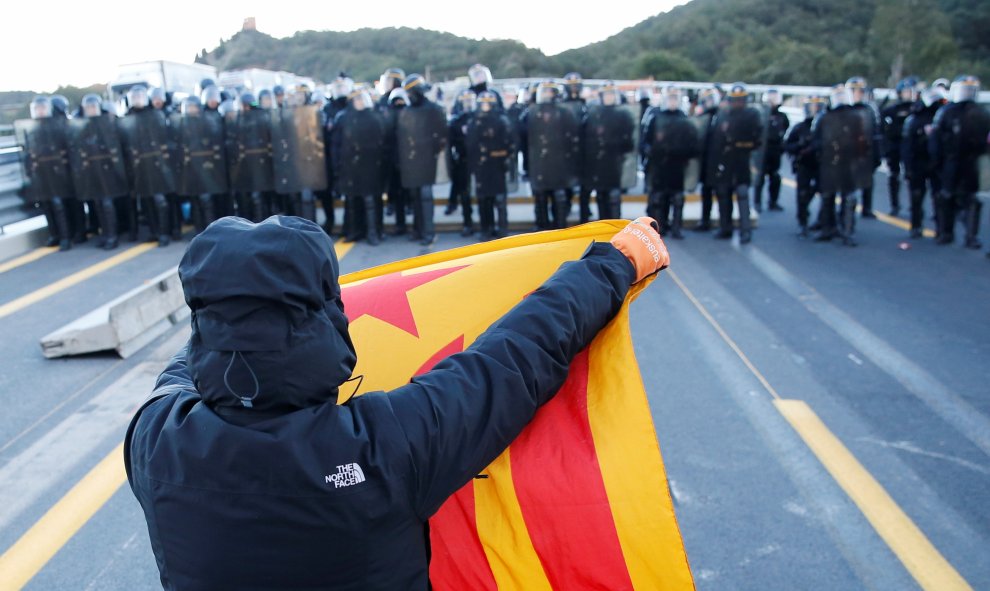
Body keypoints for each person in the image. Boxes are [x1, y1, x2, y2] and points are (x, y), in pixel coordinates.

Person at [125, 214, 668, 590]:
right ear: (326, 322)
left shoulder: (154, 443)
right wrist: (614, 264)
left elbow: (187, 365)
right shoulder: (387, 445)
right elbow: (513, 358)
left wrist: (227, 317)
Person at [930, 75, 990, 248]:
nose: (967, 94)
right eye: (964, 89)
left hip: (972, 162)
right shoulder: (946, 112)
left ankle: (971, 236)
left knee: (972, 198)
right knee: (946, 196)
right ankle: (945, 232)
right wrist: (936, 161)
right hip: (950, 160)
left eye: (971, 90)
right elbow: (936, 139)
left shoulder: (982, 113)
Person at [813, 84, 873, 246]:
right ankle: (827, 228)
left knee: (849, 198)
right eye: (837, 96)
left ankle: (847, 230)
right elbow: (816, 140)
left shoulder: (856, 117)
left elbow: (864, 141)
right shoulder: (824, 118)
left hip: (849, 161)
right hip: (829, 161)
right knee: (827, 197)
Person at [519, 80, 581, 230]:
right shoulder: (531, 112)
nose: (547, 95)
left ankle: (560, 228)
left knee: (559, 197)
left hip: (559, 162)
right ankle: (542, 228)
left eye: (550, 92)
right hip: (539, 162)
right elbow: (523, 137)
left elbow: (574, 137)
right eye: (544, 92)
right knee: (540, 197)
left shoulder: (565, 112)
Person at [642, 85, 699, 238]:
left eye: (675, 99)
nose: (672, 101)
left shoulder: (684, 118)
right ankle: (660, 228)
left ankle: (676, 228)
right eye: (670, 98)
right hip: (659, 164)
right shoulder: (655, 117)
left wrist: (687, 155)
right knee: (658, 198)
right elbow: (646, 140)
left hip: (678, 164)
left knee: (678, 198)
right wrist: (650, 153)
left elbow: (693, 141)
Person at [19, 96, 76, 250]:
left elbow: (68, 148)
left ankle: (66, 237)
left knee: (58, 204)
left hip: (57, 172)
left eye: (43, 108)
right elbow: (28, 151)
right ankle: (54, 234)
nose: (40, 111)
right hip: (41, 173)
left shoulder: (58, 126)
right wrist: (30, 169)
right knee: (46, 204)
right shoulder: (32, 128)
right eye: (37, 108)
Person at [120, 84, 174, 246]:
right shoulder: (127, 118)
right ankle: (154, 231)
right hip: (139, 166)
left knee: (160, 200)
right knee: (146, 202)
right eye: (134, 97)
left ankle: (164, 232)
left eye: (139, 97)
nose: (137, 100)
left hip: (157, 165)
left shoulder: (155, 115)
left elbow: (164, 137)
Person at [396, 74, 447, 245]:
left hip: (427, 159)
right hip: (411, 160)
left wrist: (430, 149)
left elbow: (442, 136)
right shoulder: (407, 111)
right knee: (415, 196)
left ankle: (428, 232)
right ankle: (418, 229)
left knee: (425, 196)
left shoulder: (434, 109)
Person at [332, 88, 388, 245]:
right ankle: (353, 231)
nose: (360, 102)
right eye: (357, 100)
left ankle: (373, 232)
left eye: (362, 99)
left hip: (370, 165)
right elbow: (336, 144)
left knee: (370, 200)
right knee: (351, 201)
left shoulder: (374, 117)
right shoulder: (344, 119)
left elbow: (383, 143)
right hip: (349, 165)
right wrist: (337, 164)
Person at [708, 82, 762, 244]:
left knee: (743, 196)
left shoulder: (752, 115)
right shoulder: (723, 115)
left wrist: (736, 143)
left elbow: (756, 140)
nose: (738, 103)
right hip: (725, 162)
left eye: (741, 99)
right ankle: (726, 228)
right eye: (735, 99)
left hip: (741, 162)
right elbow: (716, 140)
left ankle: (745, 231)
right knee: (723, 196)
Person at [466, 90, 515, 239]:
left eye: (488, 104)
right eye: (483, 104)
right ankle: (486, 229)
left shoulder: (502, 120)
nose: (485, 107)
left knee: (500, 200)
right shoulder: (474, 121)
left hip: (497, 165)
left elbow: (510, 144)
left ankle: (502, 229)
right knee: (483, 200)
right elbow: (470, 144)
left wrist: (504, 157)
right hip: (481, 167)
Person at [902, 85, 946, 239]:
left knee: (939, 196)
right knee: (917, 195)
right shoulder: (915, 118)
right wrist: (907, 167)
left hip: (937, 161)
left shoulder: (944, 114)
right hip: (918, 161)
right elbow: (908, 146)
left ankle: (942, 229)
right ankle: (916, 225)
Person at [784, 95, 825, 238]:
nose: (815, 111)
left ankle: (822, 221)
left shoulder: (826, 127)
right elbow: (787, 146)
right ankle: (802, 222)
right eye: (812, 107)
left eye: (818, 107)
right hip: (804, 165)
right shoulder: (800, 127)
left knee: (825, 194)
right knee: (802, 195)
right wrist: (800, 146)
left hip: (822, 165)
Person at [881, 78, 919, 216]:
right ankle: (895, 205)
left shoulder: (918, 109)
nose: (909, 94)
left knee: (913, 177)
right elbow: (884, 130)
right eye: (906, 91)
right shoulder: (891, 110)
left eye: (911, 91)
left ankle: (915, 207)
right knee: (893, 176)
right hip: (895, 147)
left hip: (912, 148)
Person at [846, 77, 881, 218]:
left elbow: (876, 133)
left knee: (868, 180)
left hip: (866, 150)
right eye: (856, 91)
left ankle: (867, 208)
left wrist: (877, 155)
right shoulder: (843, 109)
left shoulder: (870, 110)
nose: (859, 94)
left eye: (861, 91)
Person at [445, 90, 476, 235]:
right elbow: (450, 143)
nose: (468, 104)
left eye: (470, 101)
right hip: (462, 160)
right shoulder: (456, 122)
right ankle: (467, 222)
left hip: (479, 161)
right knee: (464, 193)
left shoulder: (480, 118)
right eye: (465, 101)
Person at [753, 88, 789, 212]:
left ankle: (773, 202)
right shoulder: (761, 114)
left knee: (775, 177)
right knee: (760, 177)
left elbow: (785, 131)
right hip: (762, 150)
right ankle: (757, 202)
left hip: (775, 150)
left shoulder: (782, 116)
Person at [692, 87, 721, 232]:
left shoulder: (721, 116)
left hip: (719, 161)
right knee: (706, 191)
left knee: (722, 192)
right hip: (704, 161)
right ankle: (705, 220)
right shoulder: (702, 117)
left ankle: (724, 223)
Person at [384, 88, 411, 235]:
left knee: (410, 195)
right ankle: (400, 225)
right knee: (397, 195)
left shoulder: (410, 115)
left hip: (409, 162)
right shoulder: (389, 118)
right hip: (394, 162)